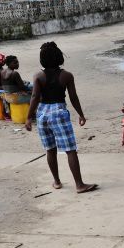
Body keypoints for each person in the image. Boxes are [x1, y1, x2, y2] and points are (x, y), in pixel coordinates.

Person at [24, 42, 97, 193]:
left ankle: (56, 181)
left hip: (42, 113)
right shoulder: (66, 76)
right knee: (70, 150)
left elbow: (34, 97)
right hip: (59, 112)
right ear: (59, 57)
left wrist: (29, 117)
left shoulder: (38, 76)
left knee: (50, 149)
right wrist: (81, 114)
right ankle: (79, 184)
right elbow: (73, 97)